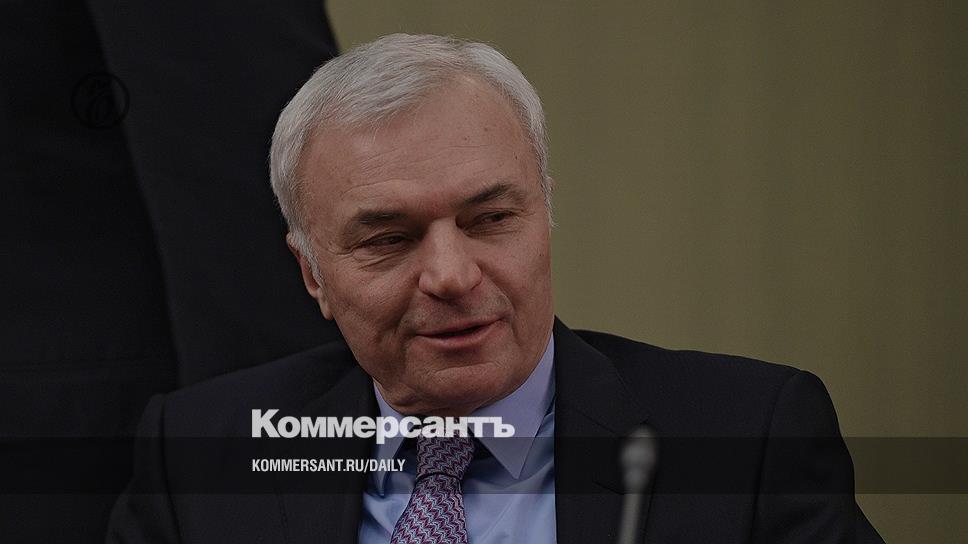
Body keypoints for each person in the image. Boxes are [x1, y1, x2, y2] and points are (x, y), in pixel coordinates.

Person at [107, 33, 883, 543]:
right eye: (389, 239)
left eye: (490, 219)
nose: (451, 276)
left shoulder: (747, 440)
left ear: (546, 215)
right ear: (313, 273)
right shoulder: (200, 454)